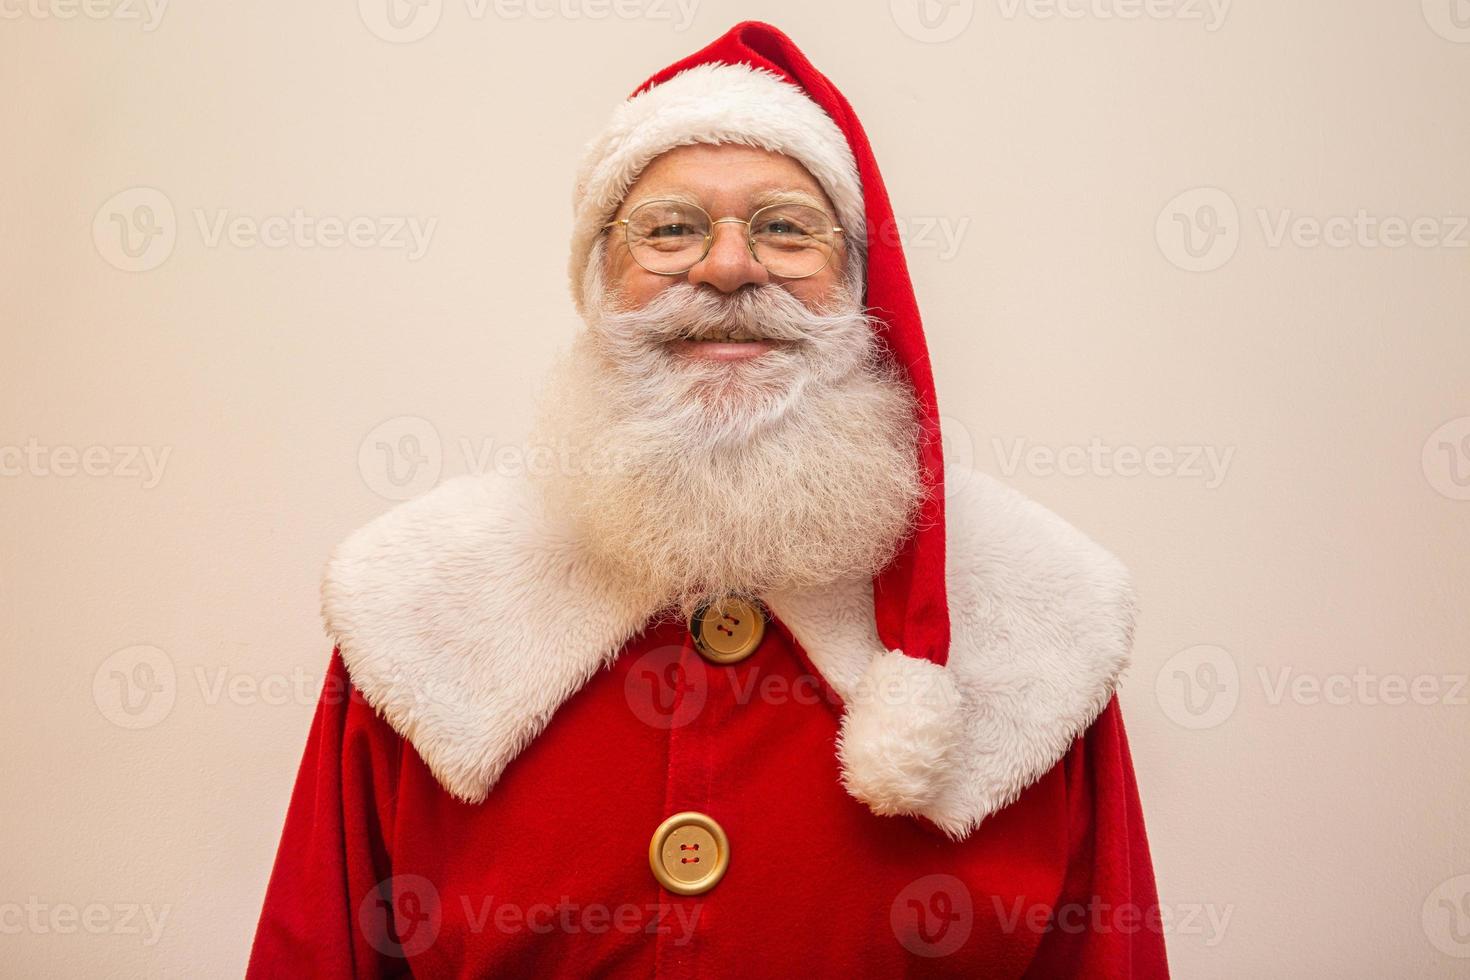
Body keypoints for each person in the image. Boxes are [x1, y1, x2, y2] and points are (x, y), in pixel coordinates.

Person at [246, 20, 1169, 978]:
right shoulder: (420, 609)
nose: (729, 268)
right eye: (672, 229)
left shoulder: (1036, 620)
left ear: (857, 289)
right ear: (598, 283)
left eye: (784, 228)